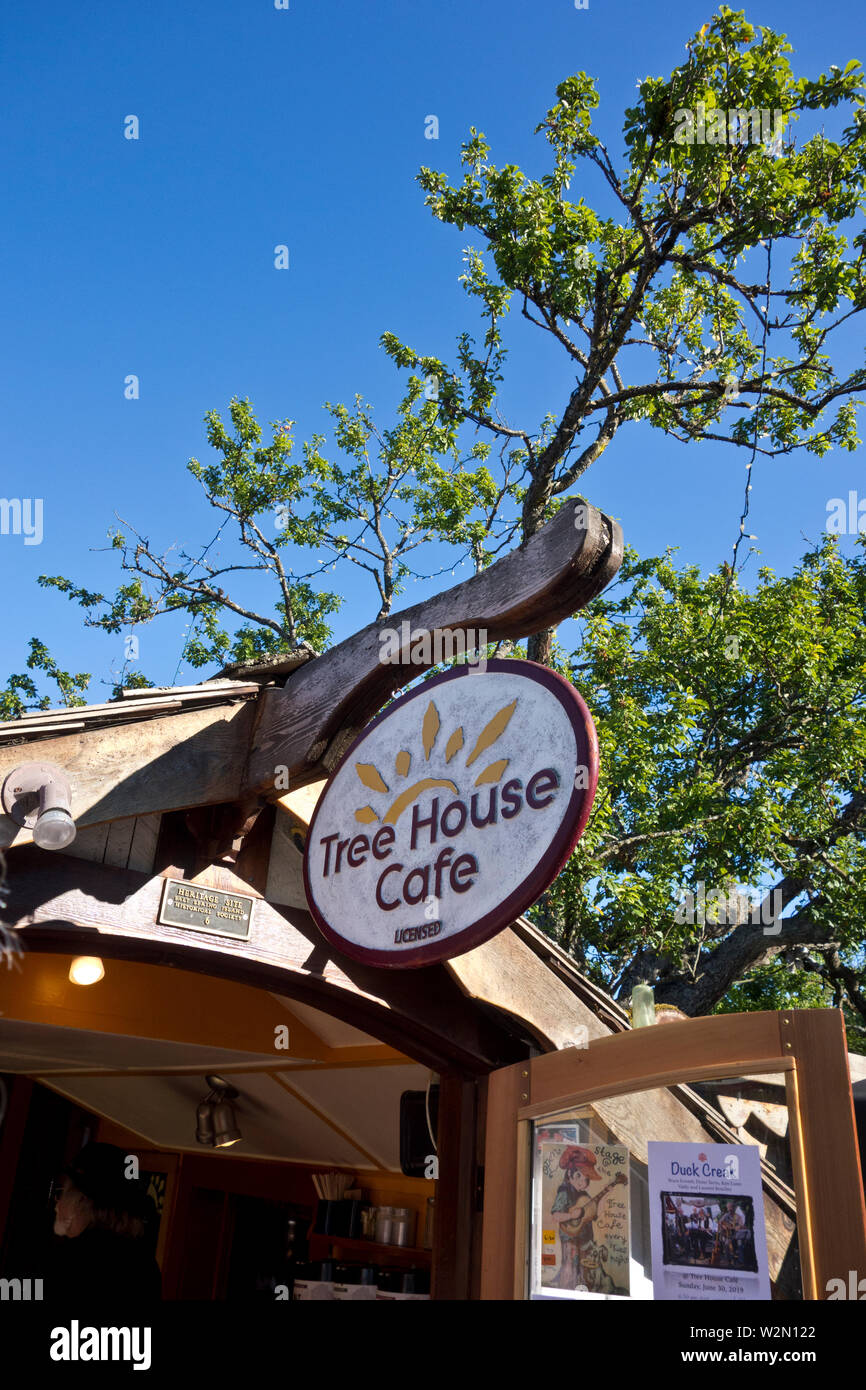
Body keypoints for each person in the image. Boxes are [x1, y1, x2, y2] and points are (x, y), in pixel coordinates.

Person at [48, 1142, 162, 1301]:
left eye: (61, 1193)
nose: (57, 1205)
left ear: (81, 1200)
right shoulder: (146, 1267)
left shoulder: (68, 1261)